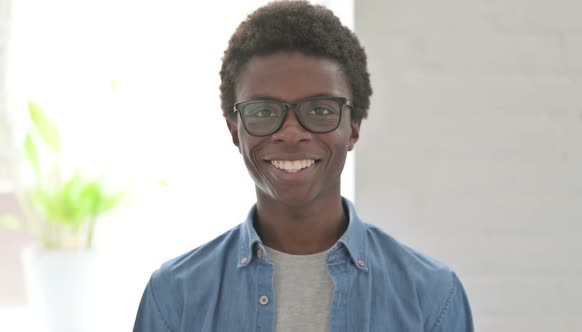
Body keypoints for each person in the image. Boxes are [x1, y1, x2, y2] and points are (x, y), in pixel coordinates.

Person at [133, 1, 474, 331]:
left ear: (353, 126)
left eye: (320, 110)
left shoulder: (432, 296)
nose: (292, 133)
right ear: (235, 130)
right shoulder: (174, 297)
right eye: (264, 111)